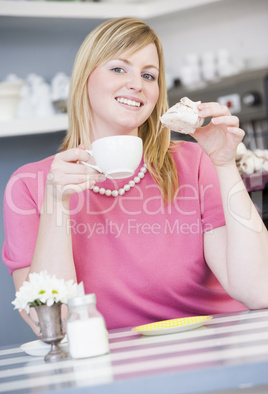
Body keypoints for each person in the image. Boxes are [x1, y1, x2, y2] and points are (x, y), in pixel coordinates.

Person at [3, 17, 268, 336]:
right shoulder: (32, 185)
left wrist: (224, 165)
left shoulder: (193, 162)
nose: (136, 84)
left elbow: (259, 291)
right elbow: (54, 325)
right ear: (84, 78)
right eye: (118, 68)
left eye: (148, 75)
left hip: (217, 346)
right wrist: (57, 202)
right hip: (110, 366)